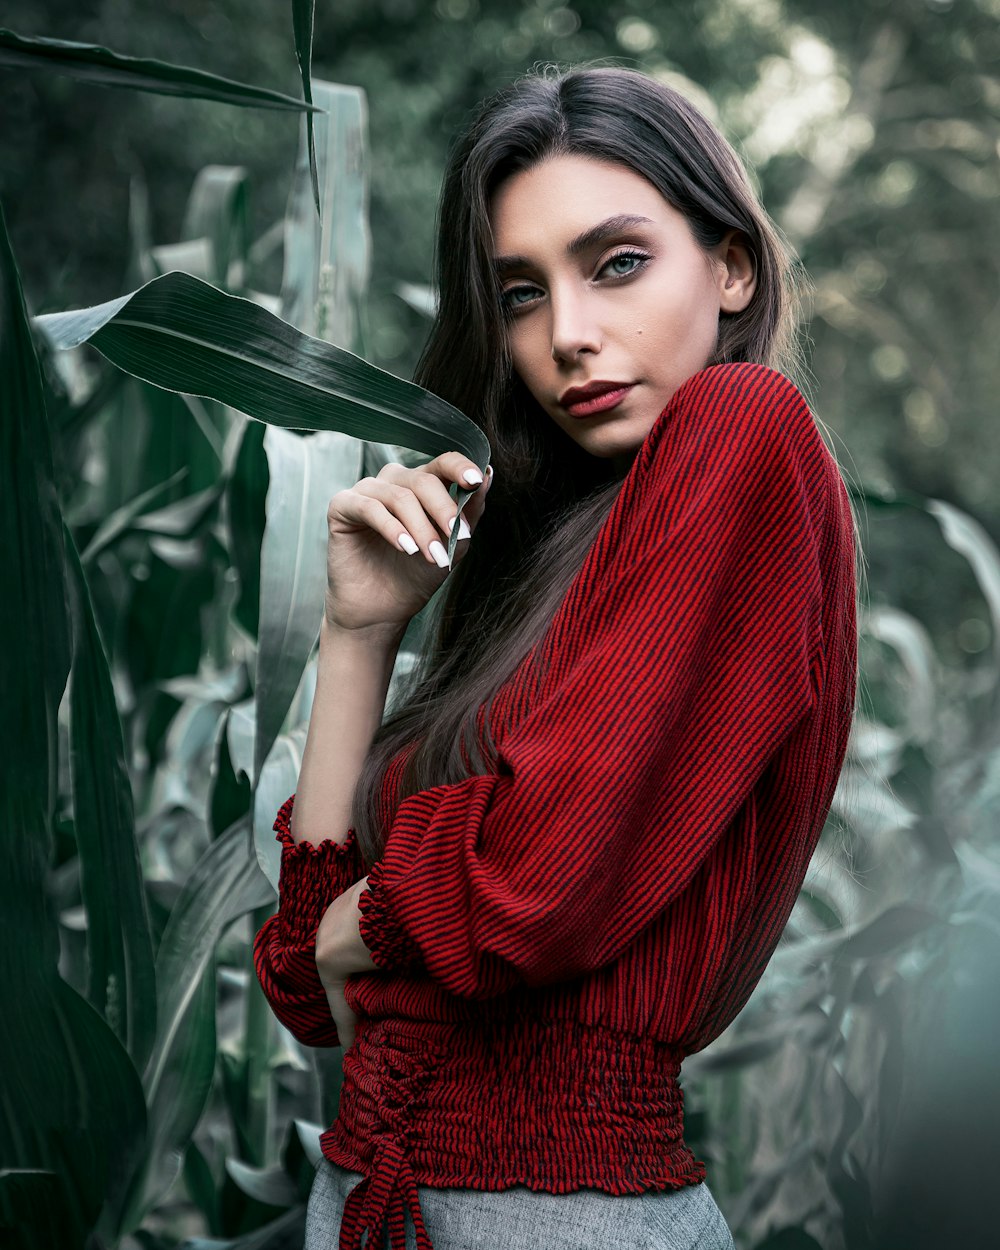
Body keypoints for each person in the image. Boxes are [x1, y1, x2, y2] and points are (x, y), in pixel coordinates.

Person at [253, 64, 859, 1250]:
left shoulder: (744, 428)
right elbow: (303, 973)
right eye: (520, 292)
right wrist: (360, 632)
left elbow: (535, 884)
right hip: (379, 1198)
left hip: (558, 1214)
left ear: (730, 267)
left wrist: (368, 917)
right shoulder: (552, 560)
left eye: (617, 263)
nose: (568, 334)